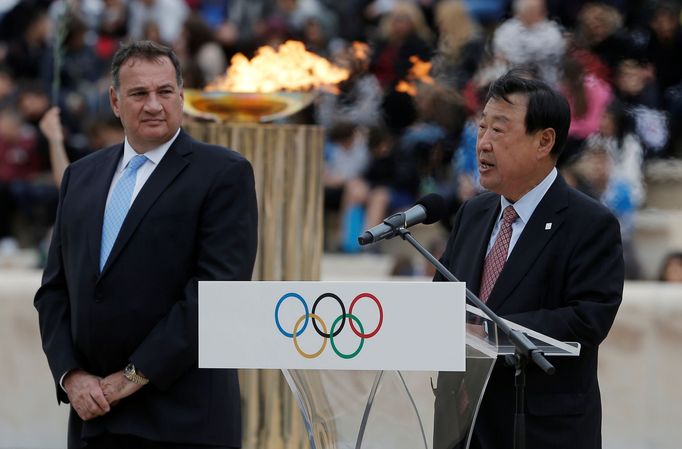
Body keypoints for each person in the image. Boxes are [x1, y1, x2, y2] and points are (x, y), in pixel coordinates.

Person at [34, 40, 258, 449]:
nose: (154, 104)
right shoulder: (80, 177)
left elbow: (215, 294)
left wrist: (131, 378)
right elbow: (54, 292)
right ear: (116, 102)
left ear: (181, 97)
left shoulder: (223, 174)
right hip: (95, 417)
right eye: (139, 94)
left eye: (165, 92)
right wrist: (72, 376)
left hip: (184, 421)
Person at [434, 71, 624, 449]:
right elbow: (444, 300)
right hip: (462, 426)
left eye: (498, 131)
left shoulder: (589, 223)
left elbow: (588, 319)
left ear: (544, 140)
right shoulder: (473, 213)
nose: (482, 143)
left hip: (539, 429)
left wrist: (490, 331)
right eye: (481, 127)